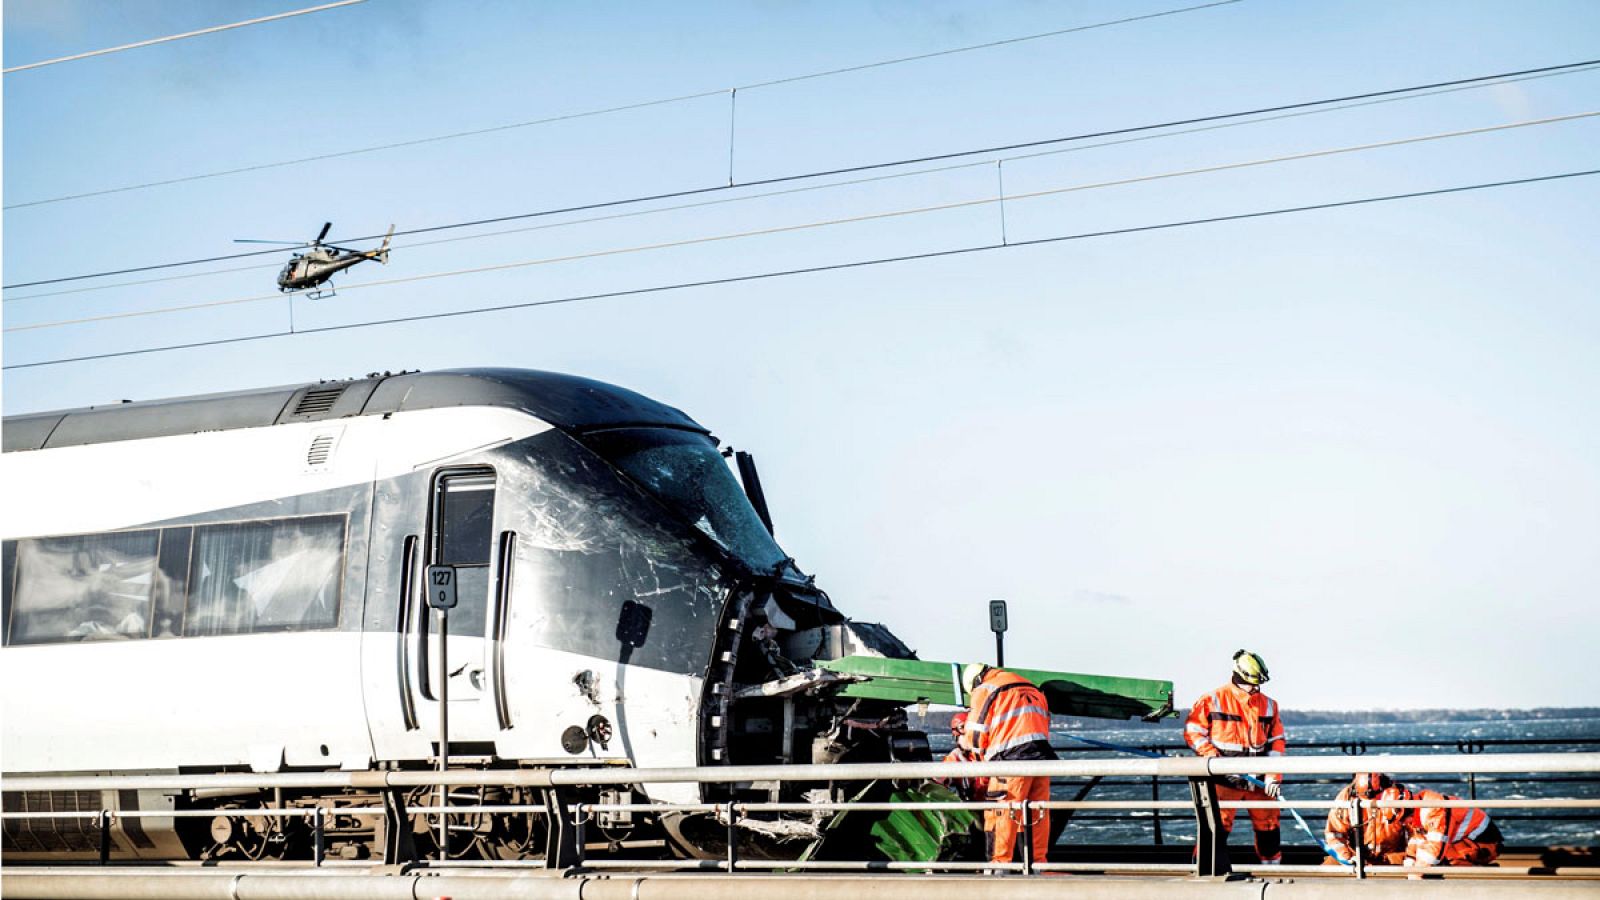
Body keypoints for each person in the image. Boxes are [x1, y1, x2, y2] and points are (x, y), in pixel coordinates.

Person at [1184, 649, 1287, 865]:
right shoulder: (1211, 700)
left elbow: (1276, 742)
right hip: (1223, 780)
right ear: (1239, 677)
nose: (1255, 688)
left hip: (1258, 782)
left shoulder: (1269, 705)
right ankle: (1203, 870)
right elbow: (1193, 732)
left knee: (1269, 828)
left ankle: (1272, 872)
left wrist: (1273, 777)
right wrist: (1213, 758)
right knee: (1216, 828)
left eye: (1258, 684)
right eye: (1252, 683)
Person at [959, 663, 1056, 867]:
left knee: (1001, 812)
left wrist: (965, 744)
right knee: (1037, 813)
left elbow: (975, 736)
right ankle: (1038, 865)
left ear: (975, 682)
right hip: (1041, 759)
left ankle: (999, 866)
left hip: (1010, 761)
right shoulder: (1030, 686)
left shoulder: (986, 689)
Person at [1399, 782, 1502, 874]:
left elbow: (1436, 848)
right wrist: (1410, 859)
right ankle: (1475, 867)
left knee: (1439, 859)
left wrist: (1416, 874)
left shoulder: (1433, 809)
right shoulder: (1420, 808)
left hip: (1485, 845)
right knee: (1430, 855)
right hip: (1469, 841)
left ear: (1409, 811)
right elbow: (1418, 840)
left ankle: (1477, 869)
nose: (1403, 823)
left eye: (1402, 820)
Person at [1324, 773, 1410, 866]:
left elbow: (1414, 831)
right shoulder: (1346, 797)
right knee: (1324, 872)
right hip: (1355, 857)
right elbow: (1334, 833)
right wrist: (1347, 857)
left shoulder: (1398, 796)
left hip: (1391, 858)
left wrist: (1411, 858)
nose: (1368, 803)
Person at [937, 711, 988, 802]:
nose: (967, 736)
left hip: (993, 805)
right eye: (963, 729)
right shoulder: (956, 757)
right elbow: (939, 778)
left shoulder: (987, 753)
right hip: (972, 806)